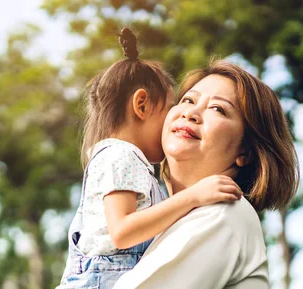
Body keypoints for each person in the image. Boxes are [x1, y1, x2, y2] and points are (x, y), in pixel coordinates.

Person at [57, 29, 244, 289]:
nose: (177, 117)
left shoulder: (129, 161)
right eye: (171, 107)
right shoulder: (121, 155)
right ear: (142, 105)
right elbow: (122, 231)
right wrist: (193, 196)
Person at [113, 60, 300, 289]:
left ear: (246, 151)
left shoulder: (222, 213)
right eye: (188, 100)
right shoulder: (171, 222)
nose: (191, 112)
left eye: (218, 109)